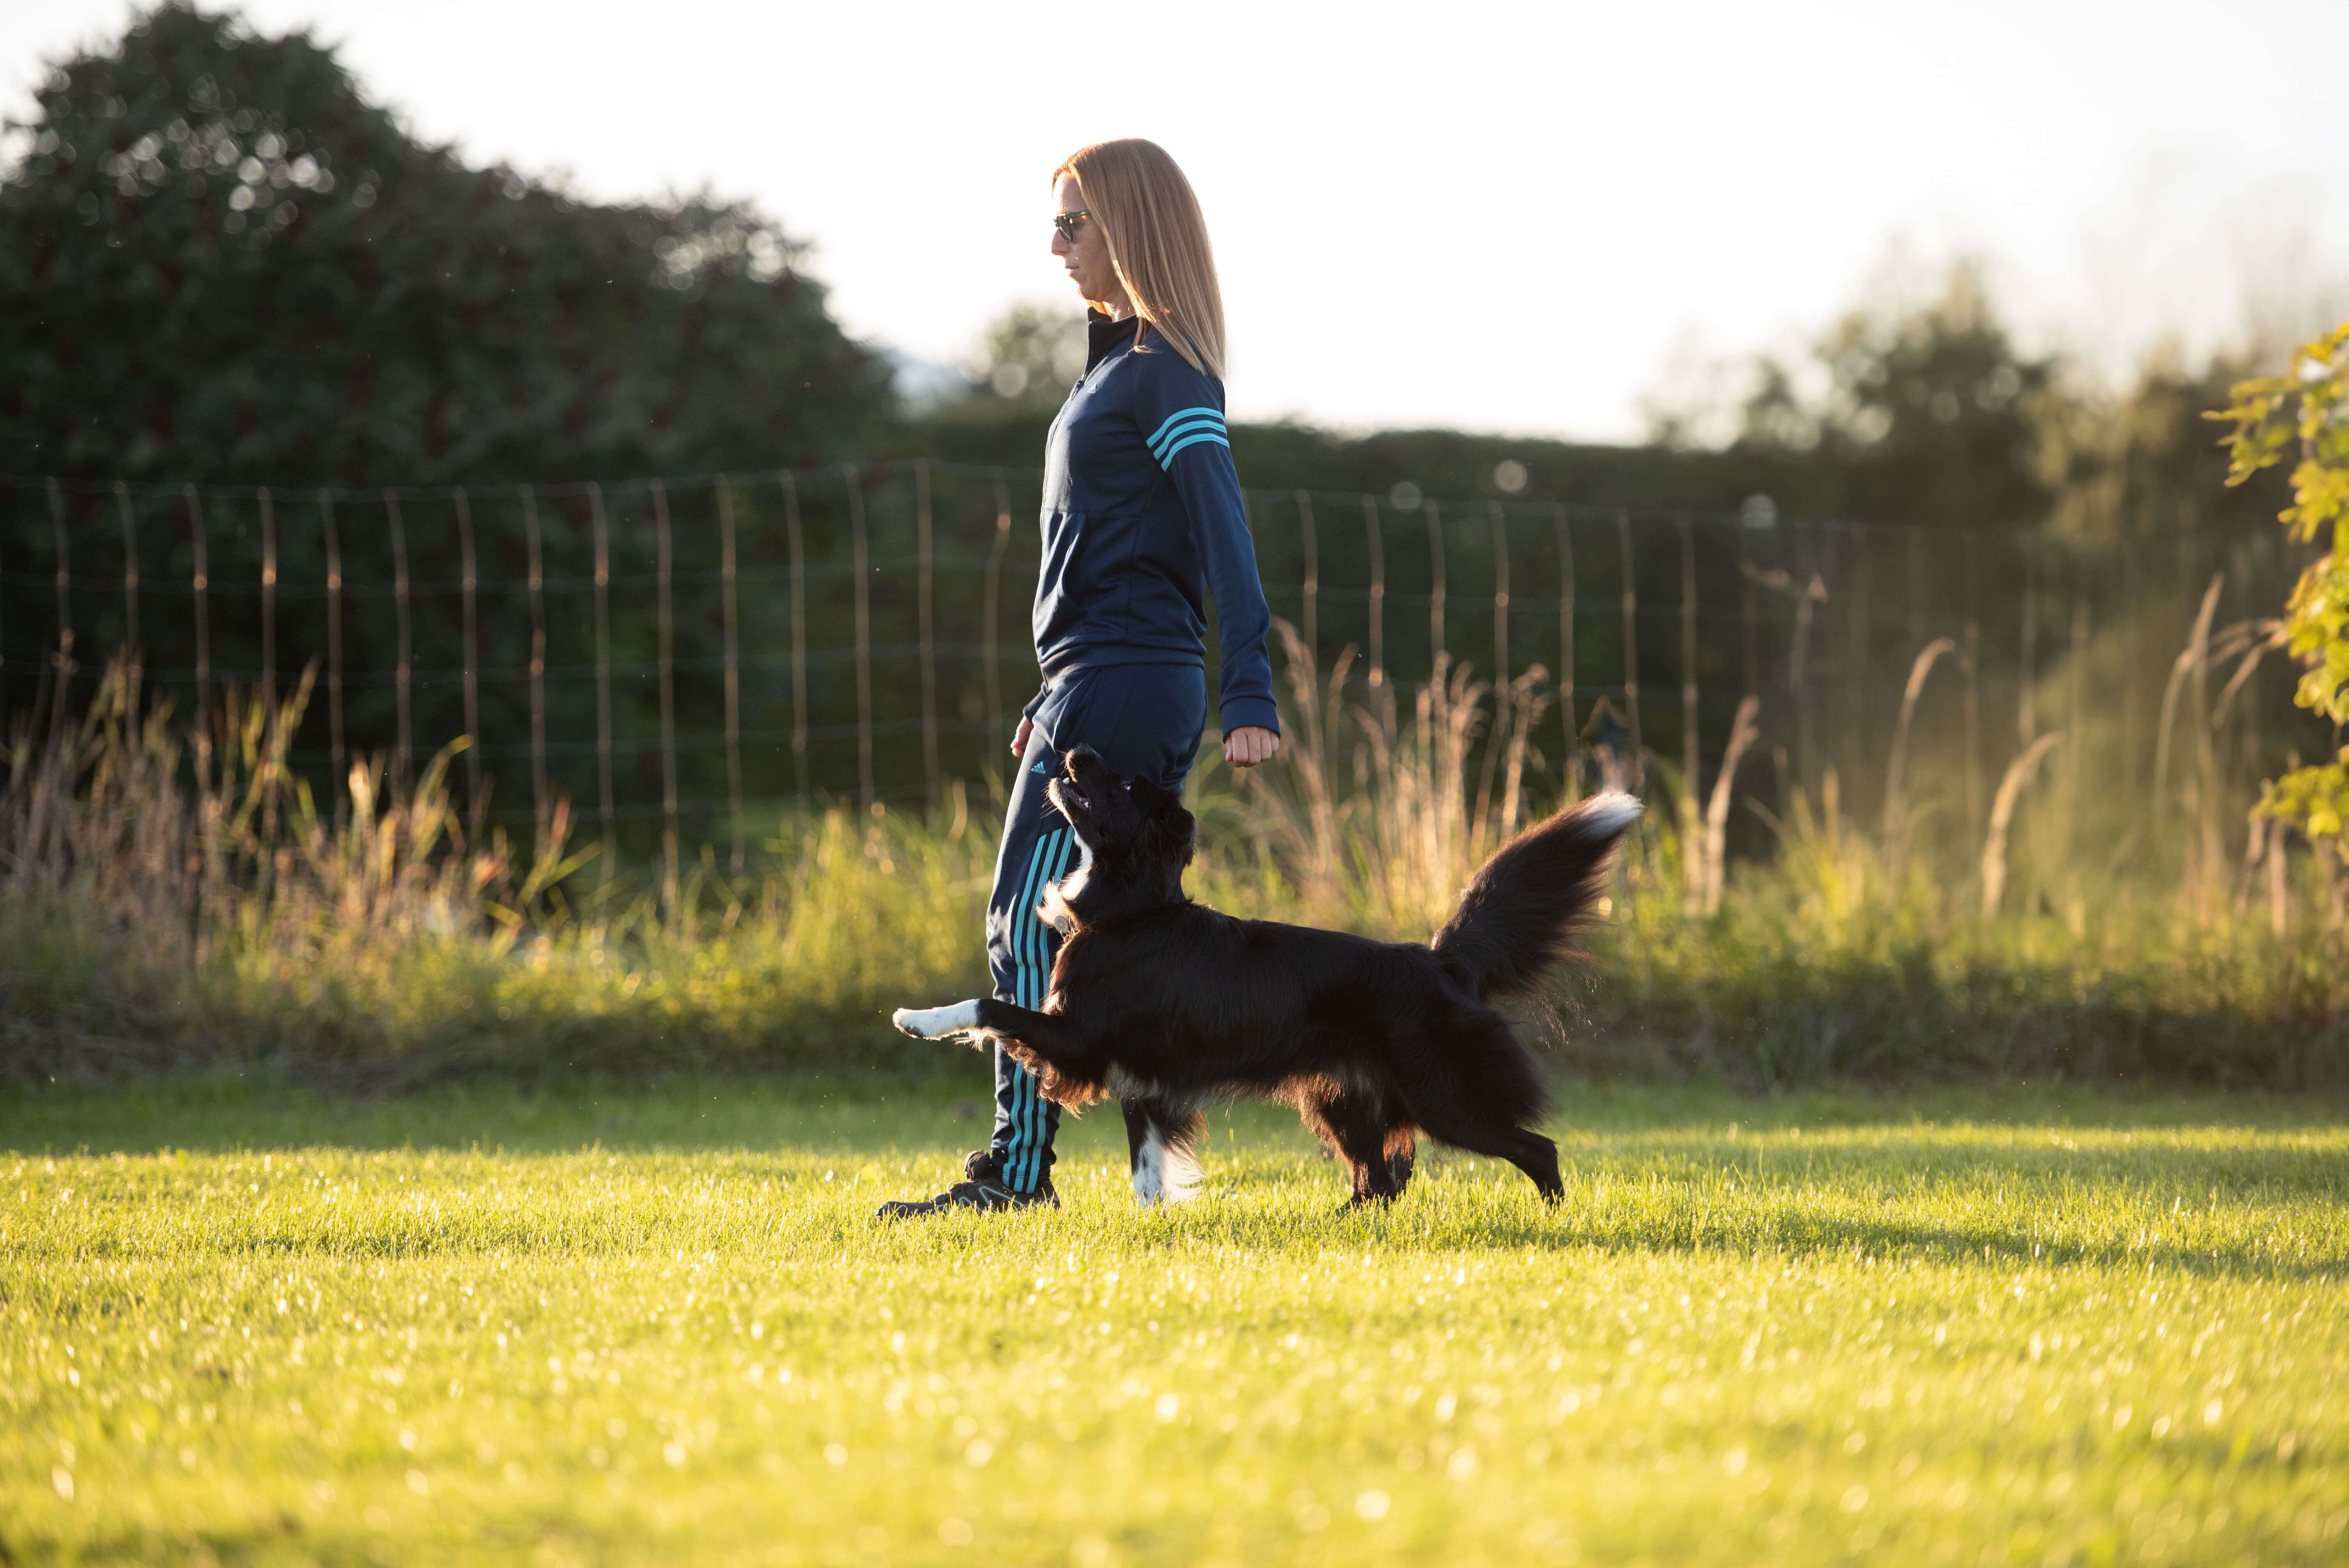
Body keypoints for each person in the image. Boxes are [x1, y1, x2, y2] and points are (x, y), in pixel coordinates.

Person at [878, 138, 1281, 1218]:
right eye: (1055, 223)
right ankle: (1146, 1152)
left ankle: (1017, 1179)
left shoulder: (1165, 377)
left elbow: (1224, 539)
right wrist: (1047, 695)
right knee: (1091, 929)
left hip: (1129, 684)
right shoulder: (1112, 373)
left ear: (1132, 232)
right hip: (1091, 681)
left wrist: (1250, 689)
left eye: (1075, 224)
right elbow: (1100, 556)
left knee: (1025, 920)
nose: (1054, 245)